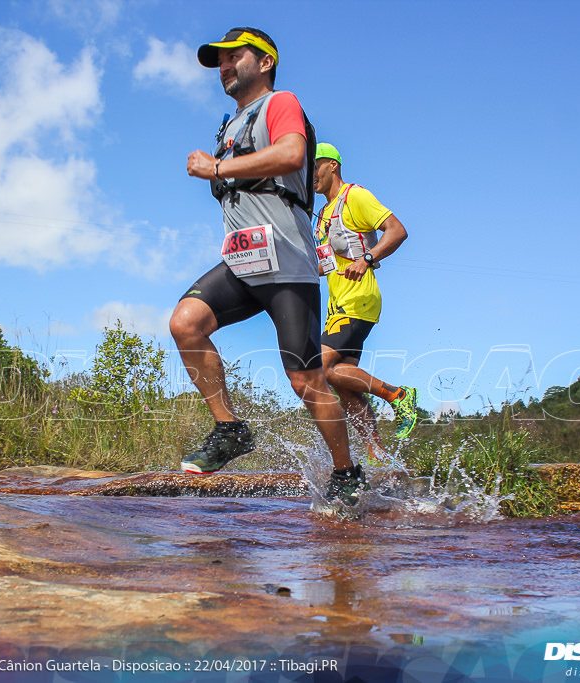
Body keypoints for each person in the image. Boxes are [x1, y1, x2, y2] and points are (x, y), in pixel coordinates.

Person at [169, 27, 369, 506]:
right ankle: (230, 428)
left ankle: (346, 473)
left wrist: (216, 169)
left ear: (264, 63)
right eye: (218, 61)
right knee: (185, 323)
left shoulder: (281, 103)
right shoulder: (231, 126)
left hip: (286, 264)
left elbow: (293, 154)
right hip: (241, 261)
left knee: (304, 379)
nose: (223, 66)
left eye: (233, 56)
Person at [313, 142, 418, 465]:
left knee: (321, 368)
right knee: (345, 383)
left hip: (359, 299)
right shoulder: (322, 217)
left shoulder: (355, 197)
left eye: (313, 167)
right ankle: (378, 456)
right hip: (337, 305)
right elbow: (326, 264)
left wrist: (369, 259)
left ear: (332, 165)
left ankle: (397, 395)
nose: (309, 176)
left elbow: (397, 231)